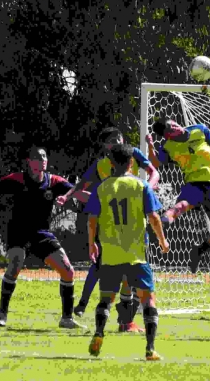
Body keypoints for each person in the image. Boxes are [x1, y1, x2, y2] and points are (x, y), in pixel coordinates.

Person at [0, 145, 86, 330]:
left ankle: (66, 318)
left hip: (41, 233)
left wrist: (103, 198)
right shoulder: (17, 179)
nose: (43, 160)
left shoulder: (54, 181)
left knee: (68, 271)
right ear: (29, 162)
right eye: (38, 158)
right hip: (18, 231)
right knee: (16, 263)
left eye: (45, 157)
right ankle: (2, 314)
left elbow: (78, 193)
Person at [83, 143, 170, 361]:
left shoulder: (101, 188)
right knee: (148, 299)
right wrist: (162, 241)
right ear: (131, 163)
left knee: (106, 299)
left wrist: (91, 244)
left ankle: (99, 333)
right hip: (136, 255)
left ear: (111, 163)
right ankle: (150, 349)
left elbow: (91, 220)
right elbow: (154, 217)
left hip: (111, 254)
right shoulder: (141, 186)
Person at [71, 127, 160, 334]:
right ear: (105, 147)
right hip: (112, 229)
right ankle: (112, 317)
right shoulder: (101, 169)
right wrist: (69, 196)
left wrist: (150, 185)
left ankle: (119, 321)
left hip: (131, 230)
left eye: (119, 137)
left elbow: (154, 172)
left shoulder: (133, 157)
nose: (117, 140)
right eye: (112, 139)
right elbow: (82, 187)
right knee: (106, 271)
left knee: (118, 279)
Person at [145, 117, 210, 274]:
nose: (176, 128)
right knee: (181, 205)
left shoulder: (200, 129)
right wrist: (150, 146)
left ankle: (198, 251)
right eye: (170, 130)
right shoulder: (168, 146)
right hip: (193, 184)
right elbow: (156, 163)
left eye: (174, 124)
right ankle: (161, 222)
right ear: (167, 136)